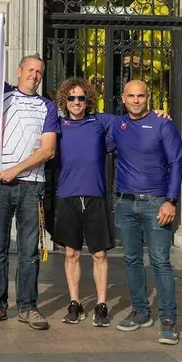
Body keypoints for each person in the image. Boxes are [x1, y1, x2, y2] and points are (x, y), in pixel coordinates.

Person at [0, 54, 60, 330]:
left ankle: (28, 307)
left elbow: (48, 150)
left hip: (31, 187)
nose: (34, 75)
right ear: (19, 70)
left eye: (39, 72)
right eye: (30, 70)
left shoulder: (48, 107)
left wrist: (15, 170)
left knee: (29, 252)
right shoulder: (0, 94)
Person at [110, 79, 182, 345]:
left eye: (141, 96)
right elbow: (85, 124)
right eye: (131, 96)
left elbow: (177, 162)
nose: (136, 100)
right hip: (125, 203)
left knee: (160, 262)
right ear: (123, 97)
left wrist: (171, 201)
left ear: (148, 97)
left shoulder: (164, 125)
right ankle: (141, 312)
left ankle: (168, 320)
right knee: (131, 259)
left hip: (156, 203)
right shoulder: (117, 126)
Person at [52, 77, 116, 327]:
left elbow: (131, 121)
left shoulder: (100, 122)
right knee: (71, 253)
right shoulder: (57, 125)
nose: (76, 102)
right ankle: (75, 303)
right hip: (68, 196)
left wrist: (159, 113)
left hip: (95, 196)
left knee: (99, 253)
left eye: (80, 98)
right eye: (71, 98)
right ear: (64, 101)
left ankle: (101, 305)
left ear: (87, 100)